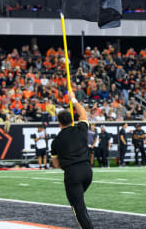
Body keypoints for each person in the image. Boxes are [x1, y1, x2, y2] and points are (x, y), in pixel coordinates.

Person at [51, 95, 94, 229]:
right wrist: (73, 99)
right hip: (88, 172)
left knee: (79, 209)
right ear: (72, 120)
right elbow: (83, 114)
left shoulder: (56, 141)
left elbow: (56, 164)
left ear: (59, 123)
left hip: (72, 174)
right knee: (79, 202)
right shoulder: (80, 129)